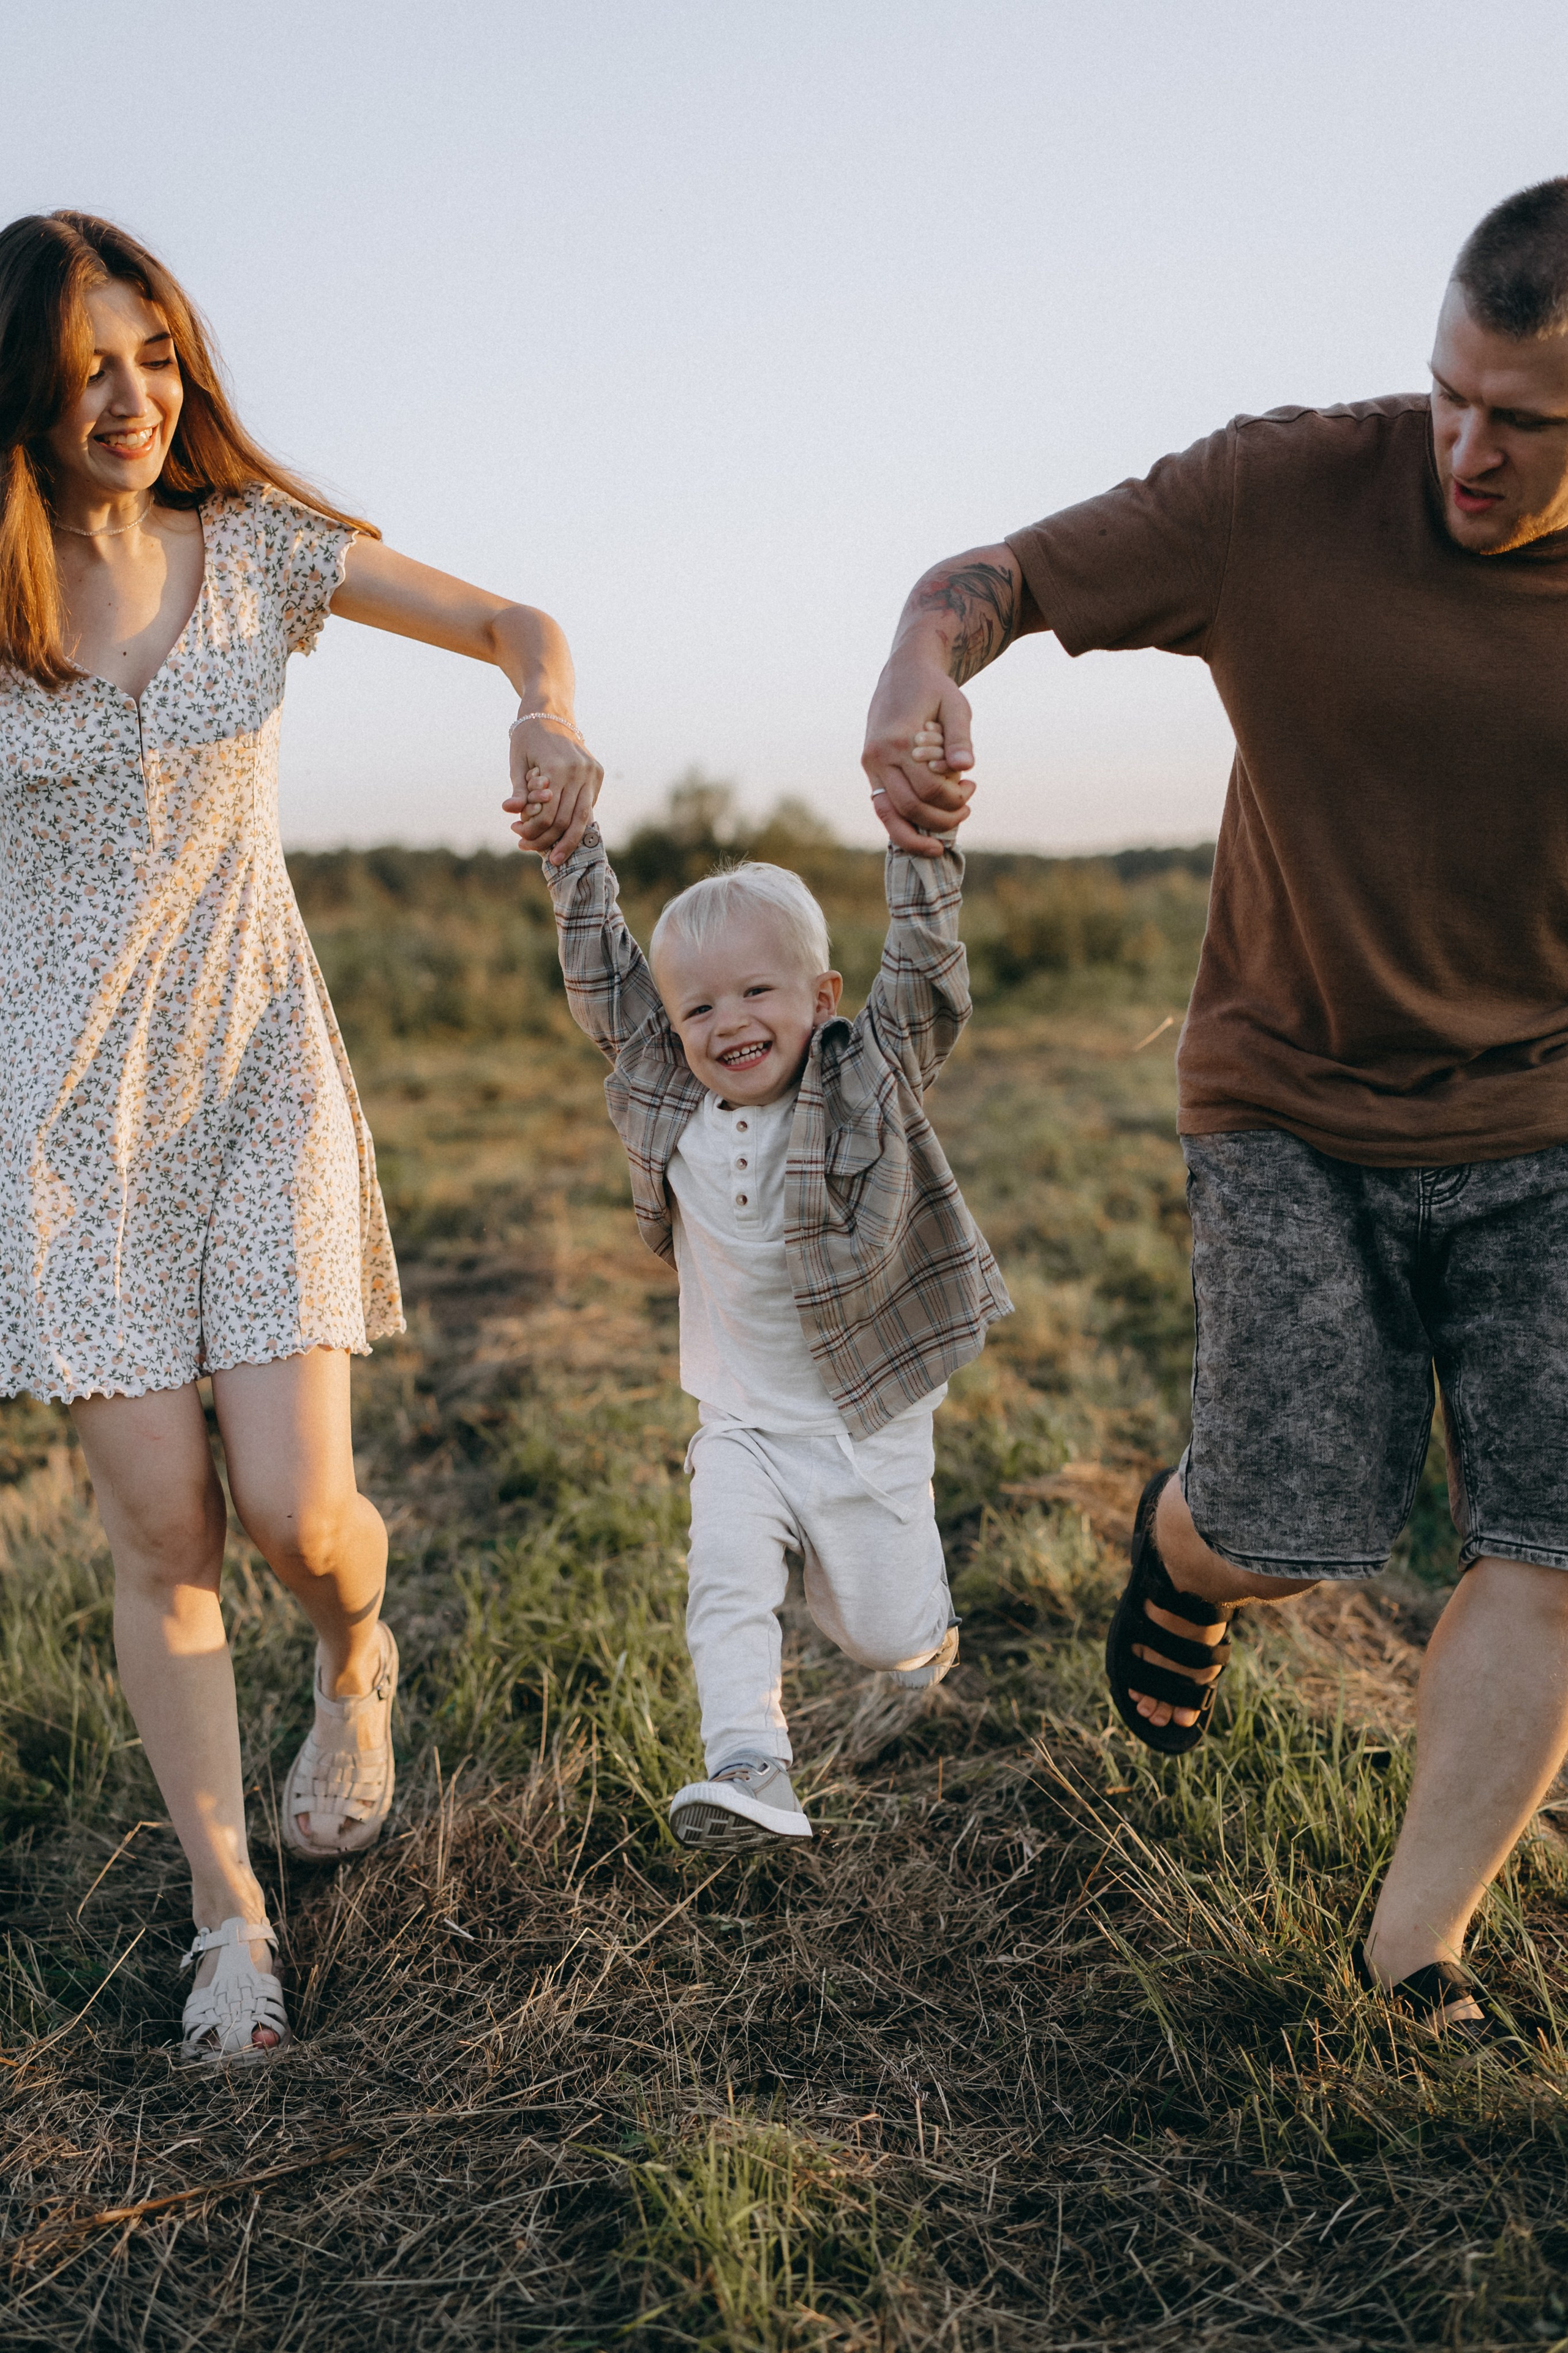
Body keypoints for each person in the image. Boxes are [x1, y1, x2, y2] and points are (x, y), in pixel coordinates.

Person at [860, 177, 1568, 2043]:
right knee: (1290, 1518)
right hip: (1289, 1099)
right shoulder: (1284, 494)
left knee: (1554, 1538)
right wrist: (921, 664)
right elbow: (990, 581)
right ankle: (1185, 1551)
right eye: (1450, 395)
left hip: (1548, 1119)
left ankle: (1413, 1953)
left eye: (1521, 422)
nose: (1465, 451)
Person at [0, 211, 601, 2060]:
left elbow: (510, 621)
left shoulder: (256, 547)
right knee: (161, 1527)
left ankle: (355, 1652)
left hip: (256, 1069)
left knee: (296, 1515)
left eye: (155, 357)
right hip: (64, 1124)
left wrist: (546, 713)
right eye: (88, 367)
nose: (131, 399)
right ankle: (229, 1918)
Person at [518, 731, 1010, 1846]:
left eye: (756, 991)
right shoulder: (669, 1089)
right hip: (740, 1417)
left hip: (865, 1422)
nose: (727, 1022)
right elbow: (602, 974)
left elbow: (925, 979)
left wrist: (922, 847)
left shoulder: (865, 1079)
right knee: (726, 1577)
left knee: (883, 1633)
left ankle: (920, 1625)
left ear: (821, 994)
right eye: (697, 1008)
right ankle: (751, 1763)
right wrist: (569, 850)